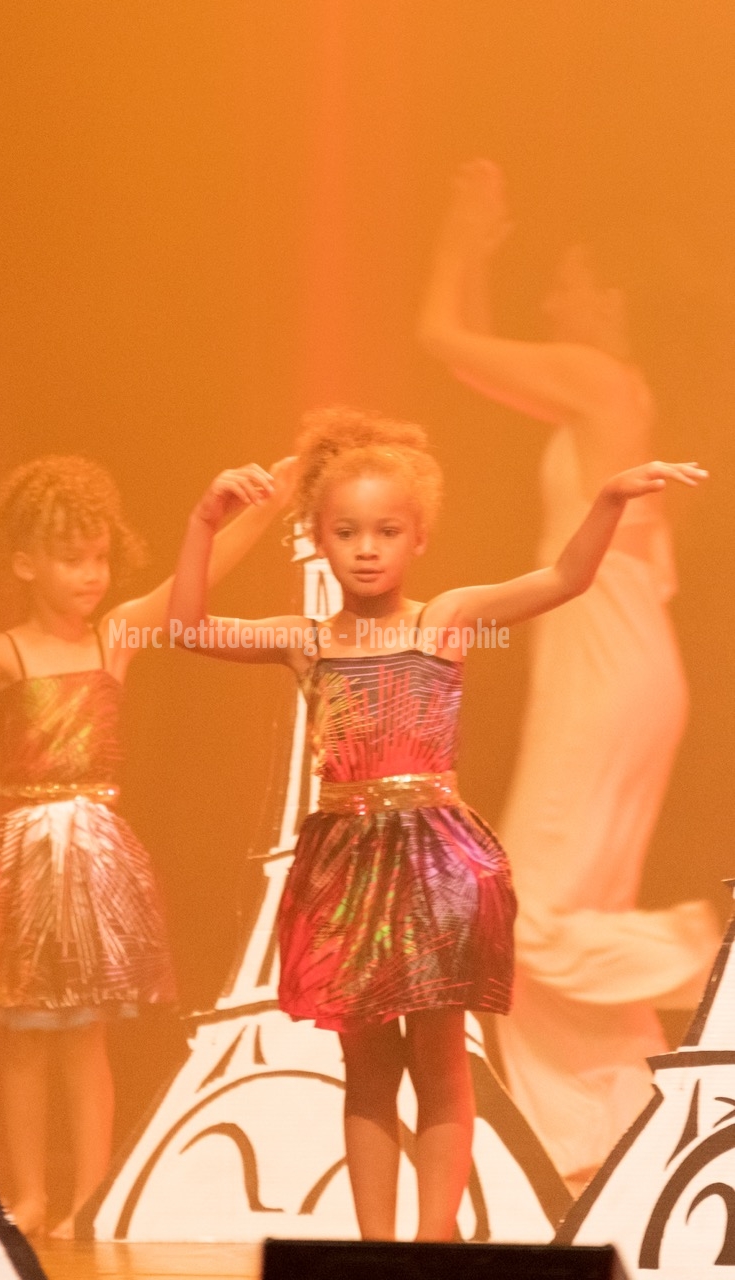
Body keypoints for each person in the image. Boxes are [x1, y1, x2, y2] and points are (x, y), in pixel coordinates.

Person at [165, 405, 706, 1238]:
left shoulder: (443, 619)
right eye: (346, 531)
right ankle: (377, 1250)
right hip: (345, 867)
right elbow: (186, 628)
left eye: (387, 531)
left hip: (435, 867)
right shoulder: (305, 640)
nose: (367, 548)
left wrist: (605, 499)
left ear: (418, 537)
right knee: (365, 1066)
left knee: (439, 1056)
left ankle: (432, 1241)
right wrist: (204, 523)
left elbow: (565, 579)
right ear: (316, 537)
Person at [419, 159, 719, 1191]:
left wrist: (461, 235)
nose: (551, 303)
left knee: (522, 913)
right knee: (560, 912)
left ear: (610, 300)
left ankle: (705, 951)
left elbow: (443, 342)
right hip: (616, 664)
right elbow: (471, 359)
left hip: (602, 666)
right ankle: (609, 1137)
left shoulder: (597, 379)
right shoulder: (619, 396)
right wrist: (472, 254)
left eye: (566, 284)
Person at [0, 452, 295, 1238]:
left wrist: (261, 507)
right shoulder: (3, 650)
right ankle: (30, 1194)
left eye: (99, 558)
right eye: (71, 559)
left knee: (85, 1037)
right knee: (25, 1039)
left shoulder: (115, 634)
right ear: (26, 564)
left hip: (91, 854)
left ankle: (87, 1195)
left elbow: (196, 577)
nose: (91, 575)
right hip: (22, 856)